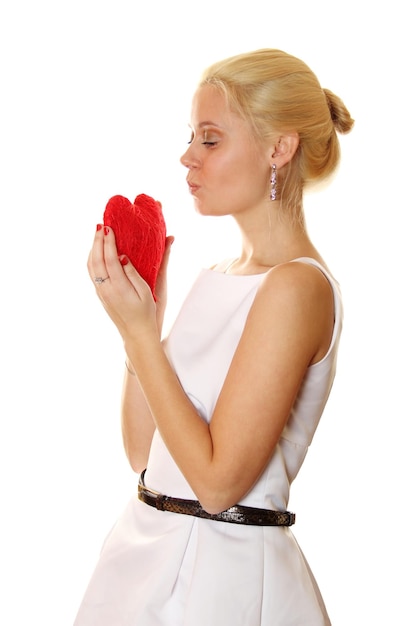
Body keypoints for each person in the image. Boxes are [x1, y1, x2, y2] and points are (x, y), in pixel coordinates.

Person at [75, 48, 354, 625]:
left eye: (210, 139)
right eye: (191, 137)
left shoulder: (298, 288)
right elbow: (141, 453)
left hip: (223, 585)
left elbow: (218, 483)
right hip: (143, 561)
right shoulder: (220, 275)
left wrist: (142, 339)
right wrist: (141, 332)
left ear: (279, 149)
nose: (187, 157)